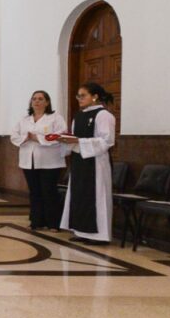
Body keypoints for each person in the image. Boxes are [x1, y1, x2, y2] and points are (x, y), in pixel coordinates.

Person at [59, 82, 117, 244]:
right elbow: (75, 138)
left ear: (95, 96)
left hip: (96, 162)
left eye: (82, 95)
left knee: (96, 195)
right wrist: (65, 140)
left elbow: (107, 140)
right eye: (78, 96)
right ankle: (82, 231)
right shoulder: (78, 116)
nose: (79, 99)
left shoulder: (104, 115)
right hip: (79, 161)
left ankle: (100, 236)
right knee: (79, 194)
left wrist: (79, 141)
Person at [10, 90, 67, 230]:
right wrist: (26, 138)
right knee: (35, 192)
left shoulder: (55, 118)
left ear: (47, 102)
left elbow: (60, 135)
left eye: (40, 99)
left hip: (50, 162)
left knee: (49, 191)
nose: (36, 101)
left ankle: (53, 223)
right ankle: (36, 221)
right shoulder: (24, 119)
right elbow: (14, 136)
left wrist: (38, 138)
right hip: (28, 161)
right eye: (34, 99)